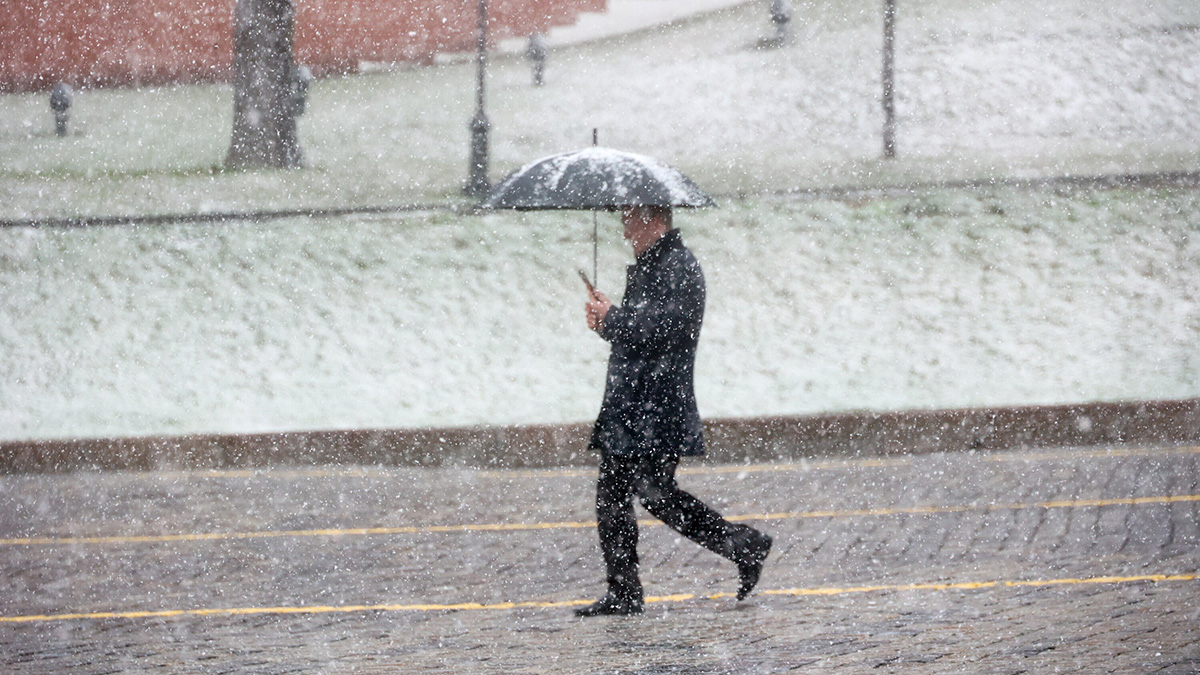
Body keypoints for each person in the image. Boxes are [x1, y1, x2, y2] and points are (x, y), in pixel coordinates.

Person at [576, 204, 772, 617]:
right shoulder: (654, 266)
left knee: (653, 493)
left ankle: (742, 545)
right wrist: (607, 321)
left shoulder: (677, 266)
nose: (625, 232)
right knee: (618, 495)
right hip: (635, 403)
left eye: (629, 220)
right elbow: (640, 332)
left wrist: (614, 319)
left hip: (655, 406)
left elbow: (662, 332)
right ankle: (624, 591)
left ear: (652, 219)